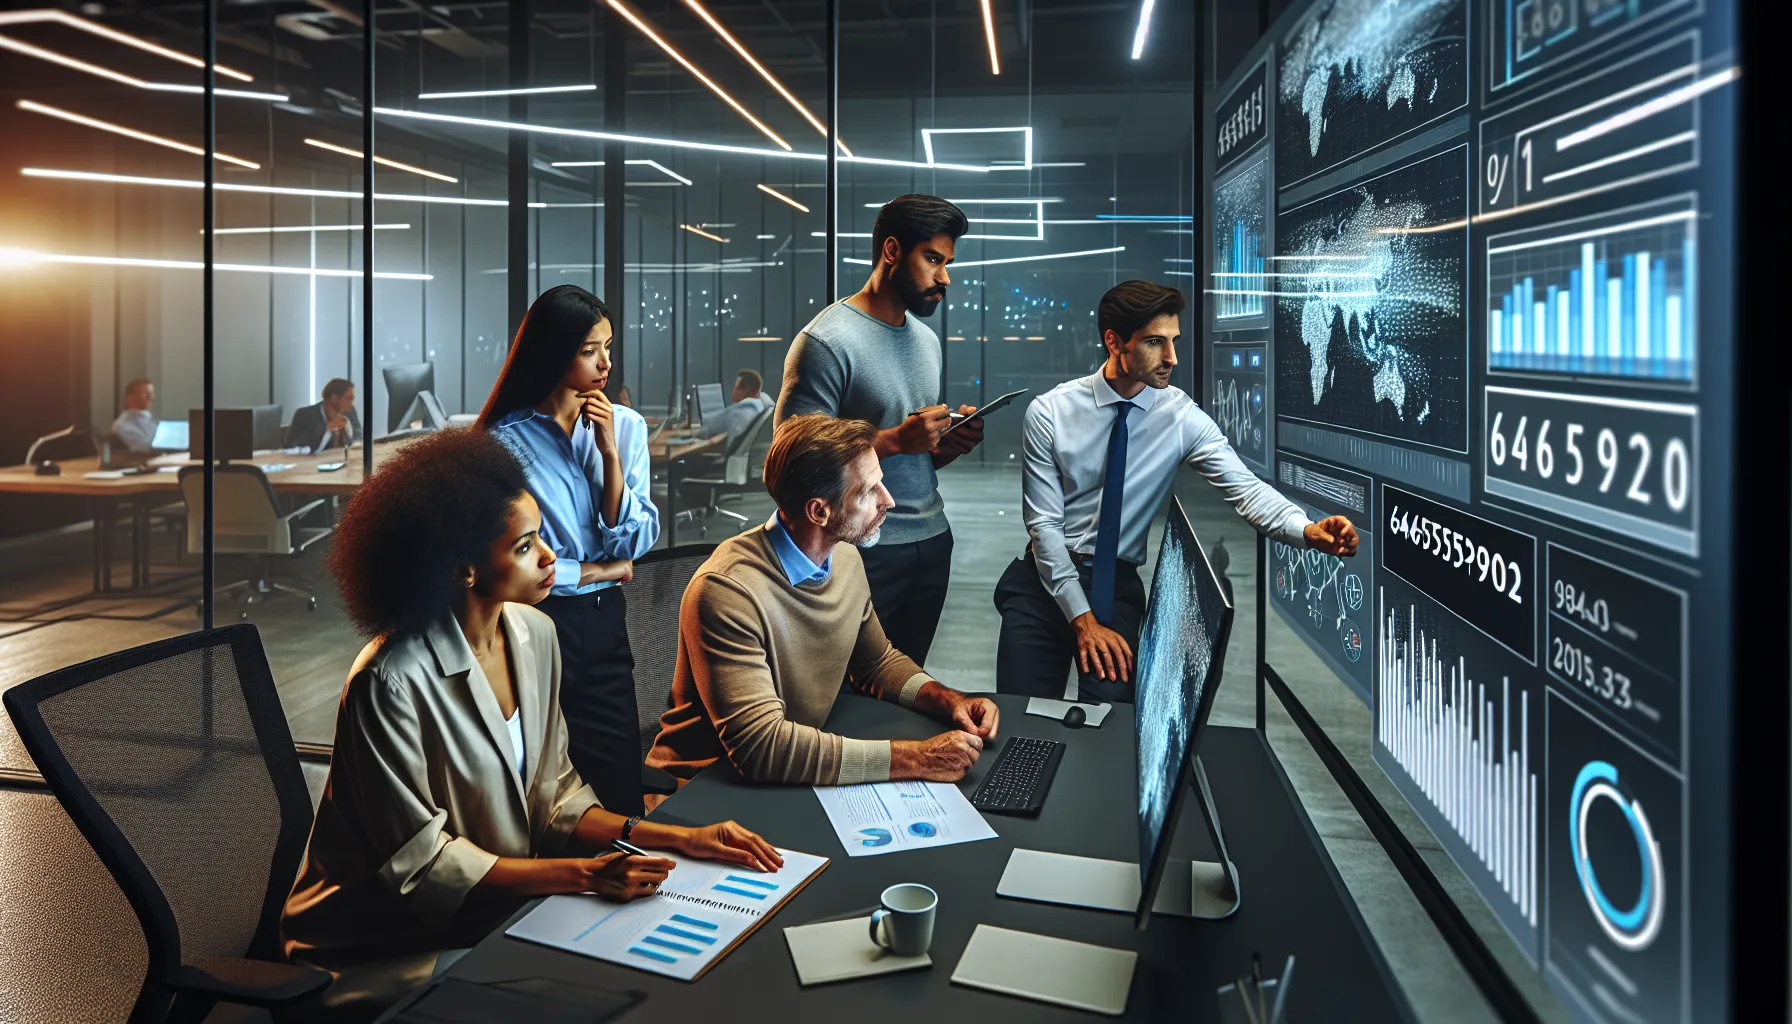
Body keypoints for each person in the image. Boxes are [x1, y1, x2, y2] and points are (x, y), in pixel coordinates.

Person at [282, 427, 778, 1021]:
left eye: (541, 537)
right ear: (464, 569)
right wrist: (585, 877)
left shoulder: (534, 635)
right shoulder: (389, 682)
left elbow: (555, 800)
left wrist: (677, 837)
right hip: (379, 948)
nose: (550, 557)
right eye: (525, 546)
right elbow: (425, 865)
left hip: (496, 910)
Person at [996, 280, 1359, 702]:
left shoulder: (1180, 416)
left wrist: (1307, 530)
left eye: (1173, 341)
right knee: (1021, 721)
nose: (1171, 358)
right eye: (1155, 343)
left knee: (1111, 727)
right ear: (1114, 342)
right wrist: (1083, 622)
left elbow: (1246, 489)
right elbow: (1044, 528)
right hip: (1044, 579)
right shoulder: (1050, 412)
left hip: (1115, 586)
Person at [647, 414, 999, 786]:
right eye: (868, 492)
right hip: (704, 788)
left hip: (793, 769)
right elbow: (762, 748)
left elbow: (877, 662)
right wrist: (917, 758)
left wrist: (949, 700)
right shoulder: (726, 592)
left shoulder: (843, 556)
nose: (889, 501)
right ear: (819, 511)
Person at [775, 194, 985, 667]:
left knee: (906, 690)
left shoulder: (926, 341)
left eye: (948, 263)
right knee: (851, 696)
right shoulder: (826, 341)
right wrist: (894, 440)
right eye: (933, 260)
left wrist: (945, 445)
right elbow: (790, 454)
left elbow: (917, 458)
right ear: (892, 251)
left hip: (931, 539)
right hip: (863, 548)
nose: (944, 278)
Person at [478, 285, 660, 817]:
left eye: (608, 346)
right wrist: (596, 570)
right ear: (554, 353)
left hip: (603, 624)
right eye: (588, 350)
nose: (605, 362)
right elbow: (516, 565)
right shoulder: (504, 443)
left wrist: (609, 455)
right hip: (533, 622)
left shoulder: (625, 428)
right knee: (537, 784)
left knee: (617, 784)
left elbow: (636, 538)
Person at [287, 377, 362, 453]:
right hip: (312, 462)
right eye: (348, 398)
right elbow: (293, 447)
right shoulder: (304, 415)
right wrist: (327, 429)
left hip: (341, 460)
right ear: (334, 398)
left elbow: (357, 434)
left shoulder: (349, 411)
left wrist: (354, 441)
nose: (351, 403)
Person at [707, 368, 773, 445]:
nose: (733, 391)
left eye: (735, 388)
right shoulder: (764, 408)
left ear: (745, 391)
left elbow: (733, 450)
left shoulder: (739, 414)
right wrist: (727, 434)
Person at [110, 378, 155, 452]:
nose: (151, 397)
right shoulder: (121, 426)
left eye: (152, 393)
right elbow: (146, 448)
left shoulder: (152, 420)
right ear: (130, 397)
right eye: (146, 393)